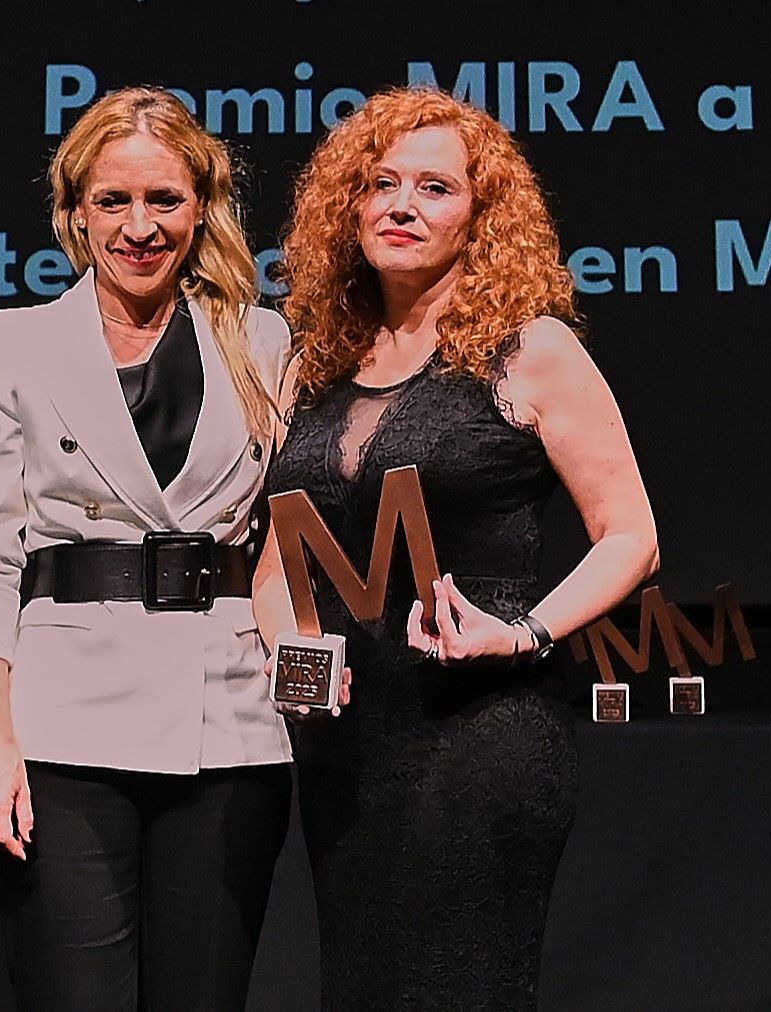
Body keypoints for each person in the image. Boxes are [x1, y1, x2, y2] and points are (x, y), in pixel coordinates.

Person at [252, 86, 662, 1009]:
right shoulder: (313, 362)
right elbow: (279, 566)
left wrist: (524, 633)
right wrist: (290, 650)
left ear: (481, 217)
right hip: (347, 747)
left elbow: (631, 537)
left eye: (435, 187)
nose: (401, 205)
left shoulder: (532, 350)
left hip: (481, 734)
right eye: (381, 183)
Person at [0, 86, 319, 1009]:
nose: (140, 227)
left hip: (228, 720)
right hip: (64, 724)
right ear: (74, 212)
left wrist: (306, 663)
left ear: (201, 208)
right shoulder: (6, 345)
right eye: (114, 201)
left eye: (164, 201)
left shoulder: (262, 340)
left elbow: (284, 541)